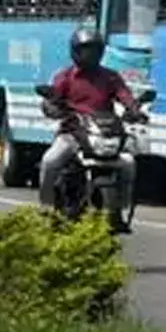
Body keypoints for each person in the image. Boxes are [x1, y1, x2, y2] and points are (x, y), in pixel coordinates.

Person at [37, 26, 144, 215]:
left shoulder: (110, 76)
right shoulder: (65, 77)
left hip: (102, 134)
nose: (90, 55)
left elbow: (124, 95)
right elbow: (52, 99)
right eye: (85, 50)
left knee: (128, 164)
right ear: (75, 51)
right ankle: (46, 208)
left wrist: (134, 109)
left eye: (94, 50)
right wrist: (52, 108)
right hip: (73, 134)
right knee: (50, 161)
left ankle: (122, 207)